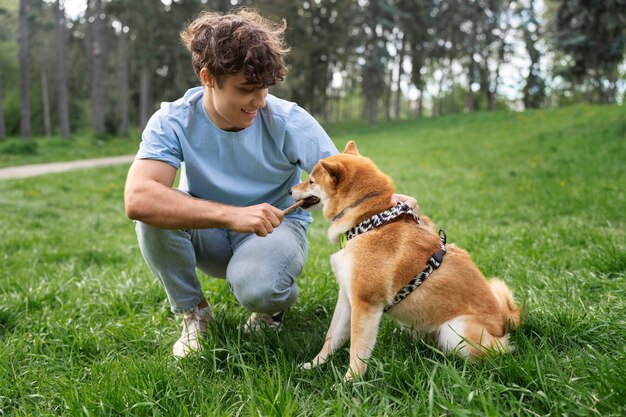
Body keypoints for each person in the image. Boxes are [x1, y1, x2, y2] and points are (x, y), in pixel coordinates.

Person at [124, 8, 415, 358]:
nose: (260, 102)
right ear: (208, 78)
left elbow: (345, 178)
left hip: (276, 229)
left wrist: (387, 203)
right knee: (151, 218)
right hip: (210, 231)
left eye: (264, 88)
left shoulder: (289, 121)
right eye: (246, 89)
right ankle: (195, 314)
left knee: (257, 288)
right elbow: (138, 198)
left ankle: (272, 307)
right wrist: (233, 215)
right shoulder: (172, 121)